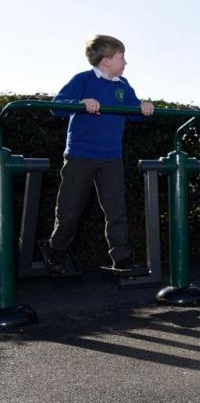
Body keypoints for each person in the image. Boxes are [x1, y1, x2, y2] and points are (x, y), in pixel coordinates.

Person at [44, 34, 155, 274]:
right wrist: (81, 102)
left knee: (116, 210)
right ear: (105, 61)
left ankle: (122, 258)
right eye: (121, 57)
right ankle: (56, 251)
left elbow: (135, 112)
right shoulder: (82, 80)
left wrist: (144, 107)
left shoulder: (123, 86)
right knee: (70, 209)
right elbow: (56, 106)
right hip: (80, 157)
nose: (125, 63)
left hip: (111, 159)